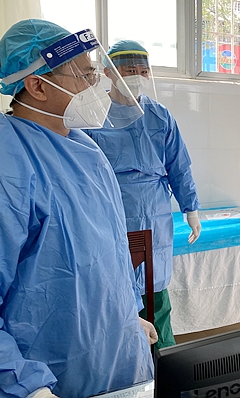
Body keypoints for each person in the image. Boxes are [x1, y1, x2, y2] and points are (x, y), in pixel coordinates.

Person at [0, 19, 154, 397]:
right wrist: (23, 382)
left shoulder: (86, 148)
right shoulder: (9, 161)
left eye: (94, 73)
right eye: (84, 76)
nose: (96, 86)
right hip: (50, 370)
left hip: (117, 352)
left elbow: (109, 250)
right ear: (37, 86)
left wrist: (127, 315)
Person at [84, 40, 201, 349]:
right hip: (114, 213)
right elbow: (84, 174)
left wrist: (191, 209)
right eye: (129, 71)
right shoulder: (94, 116)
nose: (137, 76)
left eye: (143, 71)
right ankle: (127, 364)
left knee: (155, 295)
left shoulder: (159, 115)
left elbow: (179, 166)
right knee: (116, 295)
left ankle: (165, 363)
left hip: (156, 215)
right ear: (109, 73)